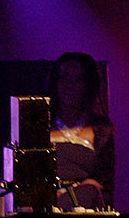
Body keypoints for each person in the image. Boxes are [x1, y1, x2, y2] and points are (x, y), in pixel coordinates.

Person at [47, 51, 116, 210]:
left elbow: (104, 181)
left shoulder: (101, 128)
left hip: (83, 205)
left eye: (77, 80)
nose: (69, 85)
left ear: (87, 85)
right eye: (64, 78)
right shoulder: (41, 124)